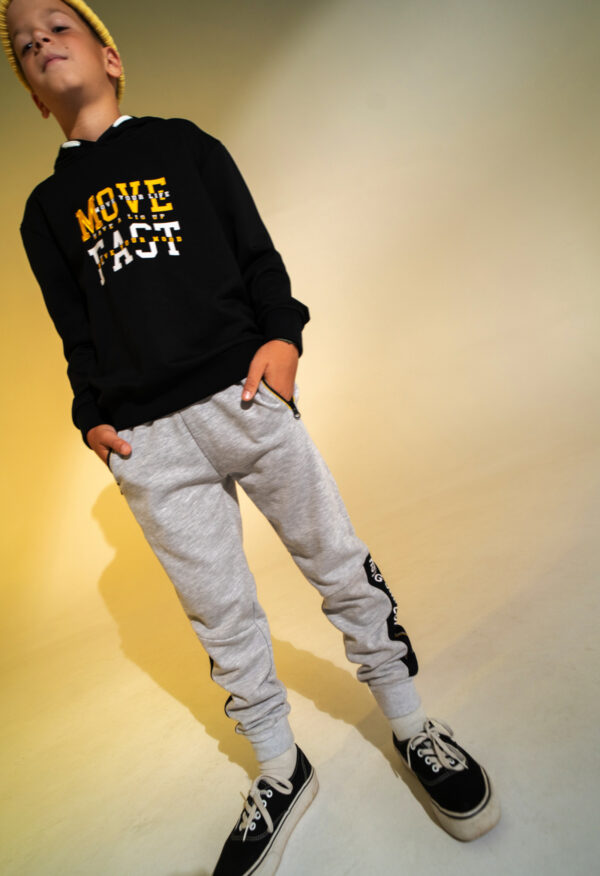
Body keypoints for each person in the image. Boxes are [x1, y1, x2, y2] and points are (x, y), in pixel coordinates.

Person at [1, 0, 501, 872]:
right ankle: (279, 766)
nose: (39, 40)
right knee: (221, 613)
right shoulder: (45, 211)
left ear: (109, 56)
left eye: (57, 25)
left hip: (243, 395)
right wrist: (93, 416)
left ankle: (411, 720)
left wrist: (282, 338)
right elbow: (75, 330)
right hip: (148, 442)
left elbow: (256, 253)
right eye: (22, 44)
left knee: (335, 559)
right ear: (32, 93)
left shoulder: (184, 146)